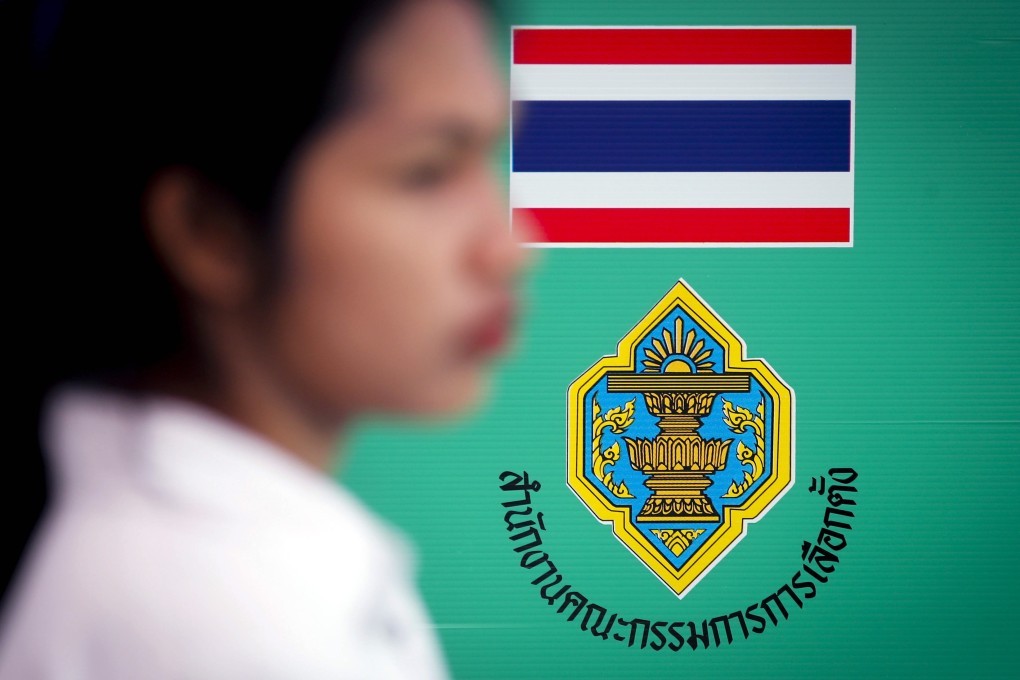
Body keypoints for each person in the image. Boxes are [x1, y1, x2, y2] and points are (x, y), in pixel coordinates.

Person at [0, 0, 530, 677]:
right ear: (209, 230)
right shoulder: (224, 625)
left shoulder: (182, 556)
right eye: (427, 171)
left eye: (490, 157)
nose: (510, 247)